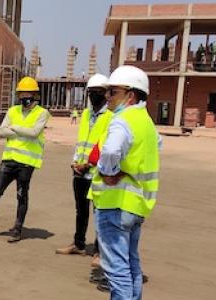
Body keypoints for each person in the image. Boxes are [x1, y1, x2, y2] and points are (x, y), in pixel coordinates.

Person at [91, 65, 160, 300]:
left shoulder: (122, 120)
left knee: (116, 271)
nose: (107, 97)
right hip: (137, 204)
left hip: (116, 204)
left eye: (113, 92)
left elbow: (110, 152)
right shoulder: (146, 121)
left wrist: (108, 171)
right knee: (132, 265)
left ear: (130, 95)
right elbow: (157, 145)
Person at [0, 76, 50, 243]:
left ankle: (17, 229)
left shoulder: (42, 113)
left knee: (21, 195)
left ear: (35, 95)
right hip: (8, 160)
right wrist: (18, 130)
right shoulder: (12, 111)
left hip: (26, 163)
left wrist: (13, 128)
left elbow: (34, 133)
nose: (24, 97)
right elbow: (2, 131)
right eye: (21, 94)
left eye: (27, 93)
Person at [55, 74, 113, 257]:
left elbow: (107, 146)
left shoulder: (111, 116)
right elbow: (82, 141)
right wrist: (75, 161)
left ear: (105, 94)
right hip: (79, 171)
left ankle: (98, 250)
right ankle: (79, 244)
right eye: (91, 92)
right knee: (81, 211)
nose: (93, 95)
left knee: (99, 213)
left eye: (97, 92)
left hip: (97, 173)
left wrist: (88, 164)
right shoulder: (86, 114)